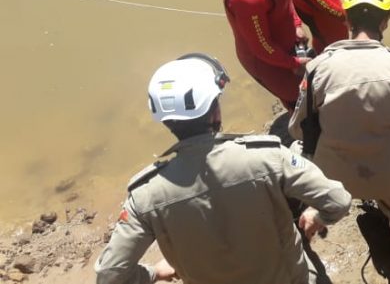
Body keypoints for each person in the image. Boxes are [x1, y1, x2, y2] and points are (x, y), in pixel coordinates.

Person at [95, 54, 352, 284]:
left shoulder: (145, 196)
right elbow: (337, 200)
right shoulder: (267, 157)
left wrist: (153, 273)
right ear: (214, 109)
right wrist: (317, 217)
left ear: (165, 121)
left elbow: (110, 275)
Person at [288, 0, 390, 264]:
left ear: (346, 17)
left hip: (334, 180)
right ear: (388, 20)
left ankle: (315, 215)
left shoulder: (320, 67)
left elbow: (297, 129)